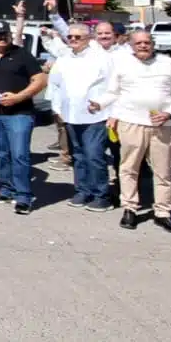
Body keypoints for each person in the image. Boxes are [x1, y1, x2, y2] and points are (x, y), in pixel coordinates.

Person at [98, 30, 171, 233]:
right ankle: (130, 208)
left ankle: (163, 212)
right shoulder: (121, 63)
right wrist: (100, 105)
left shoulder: (167, 63)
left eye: (147, 42)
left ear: (153, 44)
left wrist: (169, 113)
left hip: (161, 125)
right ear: (131, 45)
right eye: (139, 43)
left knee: (162, 171)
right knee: (129, 168)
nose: (143, 46)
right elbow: (113, 92)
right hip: (130, 122)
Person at [0, 21, 47, 215]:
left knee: (20, 155)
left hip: (20, 113)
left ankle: (23, 196)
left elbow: (40, 80)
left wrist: (19, 97)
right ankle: (6, 190)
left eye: (4, 34)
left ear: (9, 34)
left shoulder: (22, 54)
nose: (1, 38)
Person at [44, 23, 114, 212]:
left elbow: (113, 86)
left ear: (89, 39)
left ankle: (102, 195)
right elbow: (55, 84)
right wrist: (56, 108)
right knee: (78, 156)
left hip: (95, 117)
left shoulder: (102, 58)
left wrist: (109, 110)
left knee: (94, 156)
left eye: (78, 37)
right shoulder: (64, 58)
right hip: (70, 115)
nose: (73, 40)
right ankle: (83, 191)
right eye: (70, 37)